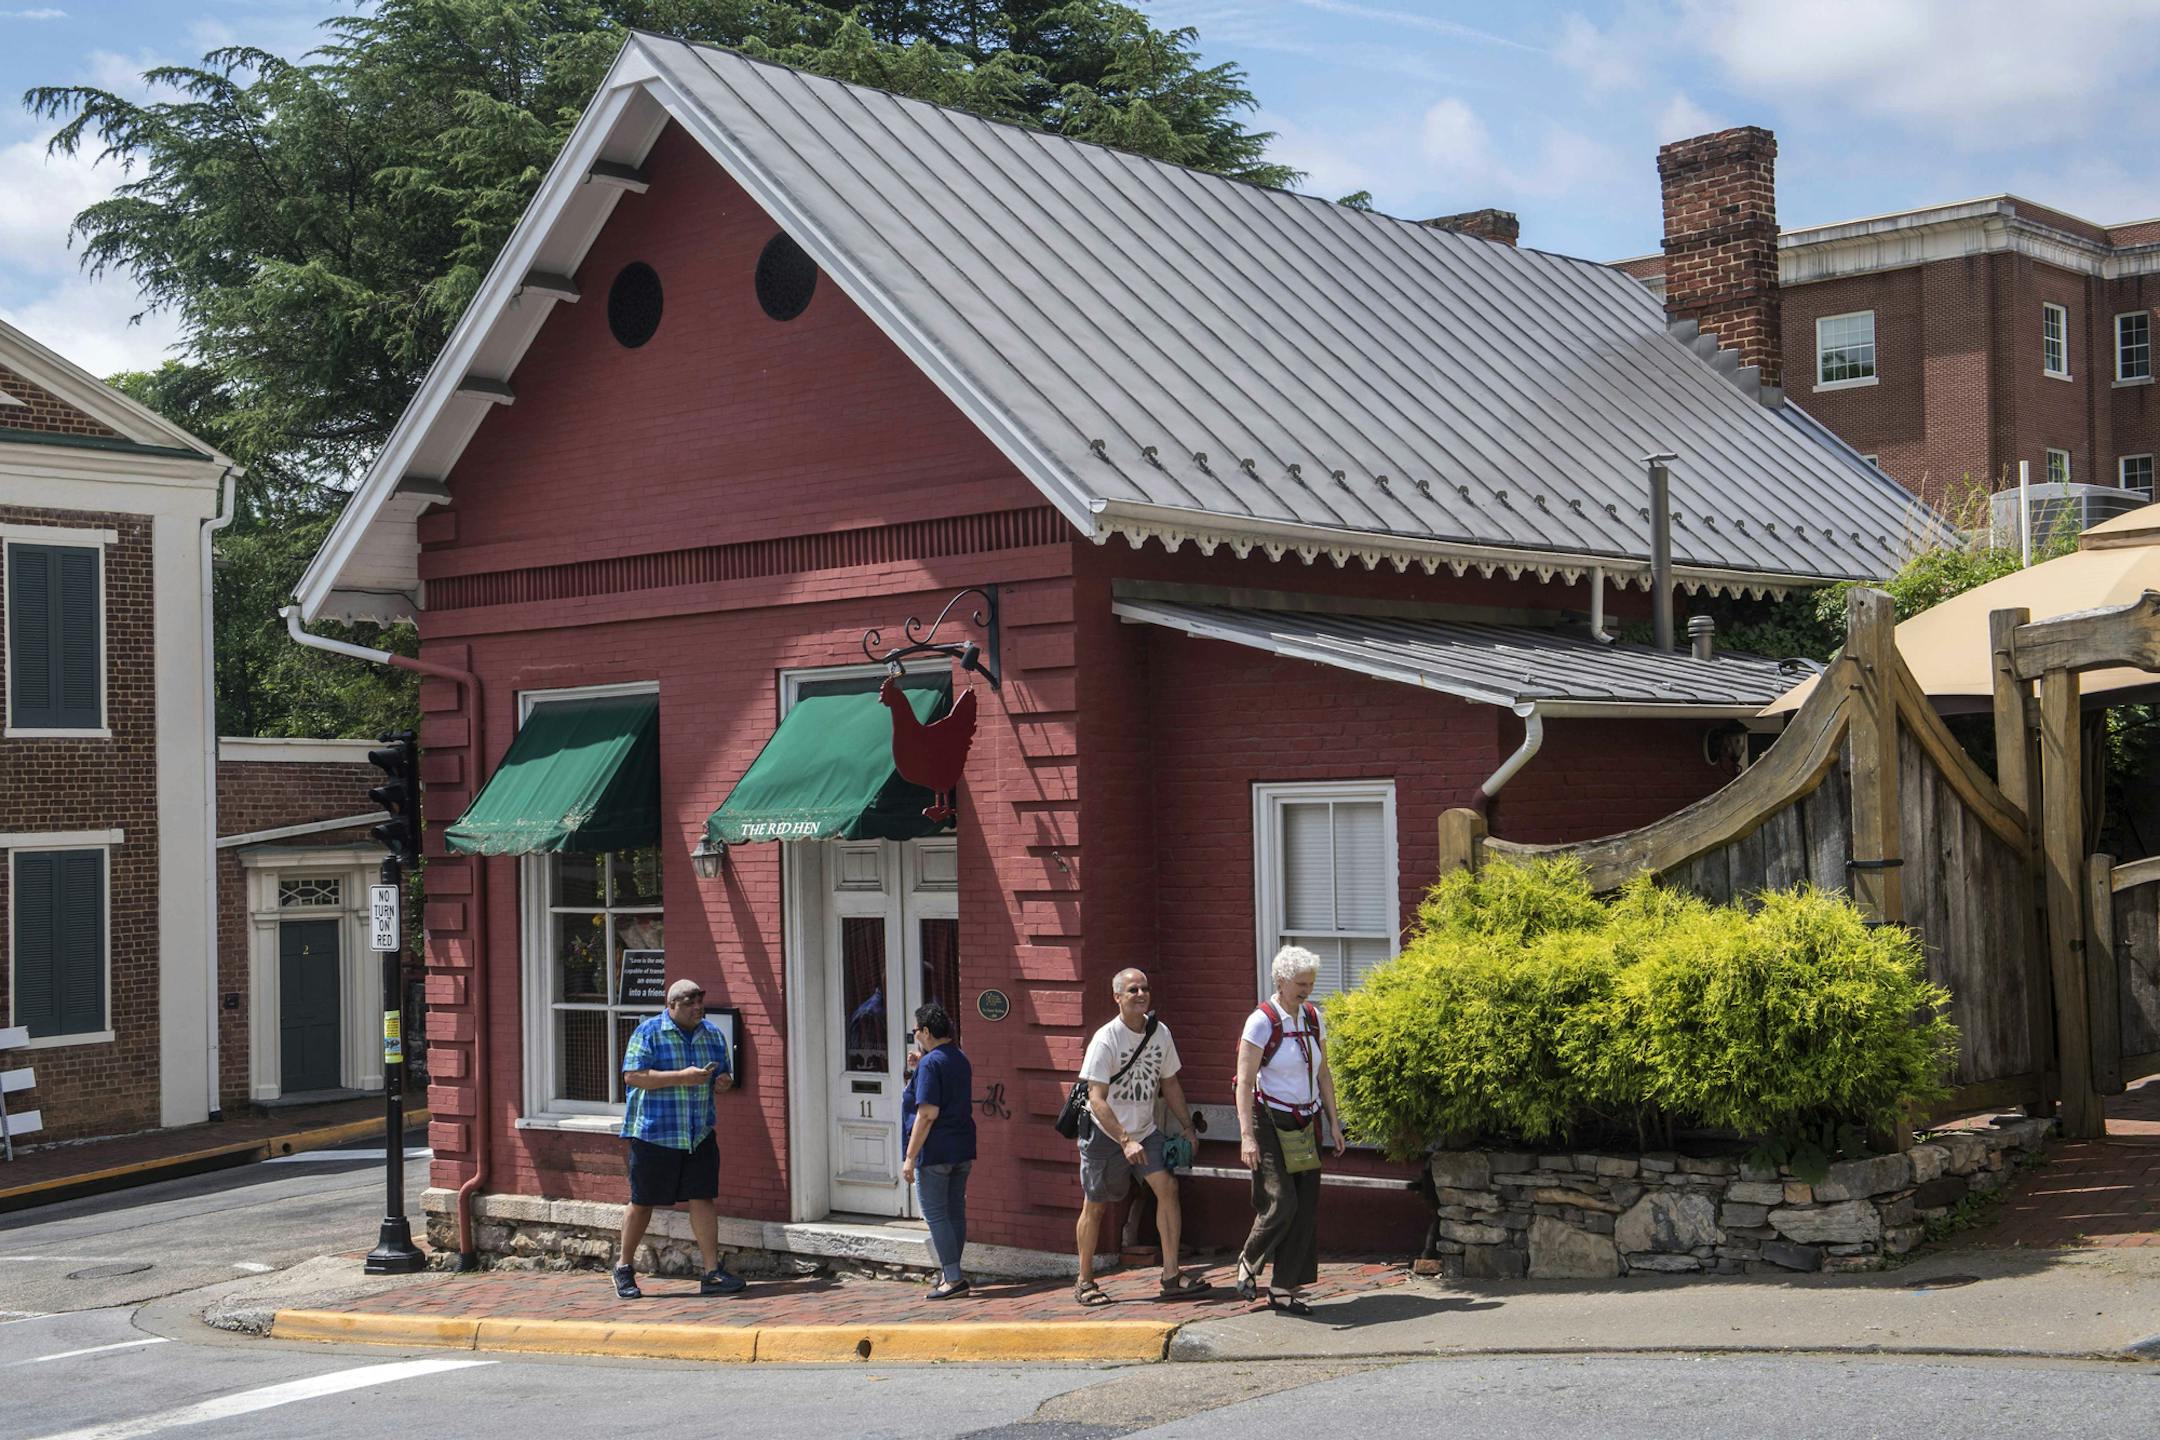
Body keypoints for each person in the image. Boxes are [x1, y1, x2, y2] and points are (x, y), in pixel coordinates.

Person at [1073, 967, 1210, 1306]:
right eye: (1132, 990)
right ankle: (1085, 1280)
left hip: (1146, 1131)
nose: (1140, 994)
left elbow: (1170, 1083)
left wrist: (1187, 1127)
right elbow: (1096, 1098)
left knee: (1168, 1188)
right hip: (1107, 1134)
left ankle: (1171, 1275)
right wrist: (1124, 1139)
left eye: (1144, 988)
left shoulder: (1159, 1033)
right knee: (1096, 1206)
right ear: (1117, 997)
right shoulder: (1107, 1039)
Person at [614, 978, 743, 1300]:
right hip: (654, 1133)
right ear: (671, 1005)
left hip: (697, 1132)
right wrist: (682, 1077)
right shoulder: (649, 1032)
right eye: (689, 1002)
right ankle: (624, 1267)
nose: (697, 1007)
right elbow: (633, 1076)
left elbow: (723, 1075)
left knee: (702, 1197)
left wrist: (723, 1082)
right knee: (643, 1201)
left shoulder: (712, 1034)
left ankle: (711, 1272)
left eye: (699, 1001)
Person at [1233, 946, 1345, 1314]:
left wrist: (1333, 1121)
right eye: (1300, 984)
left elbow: (1323, 1073)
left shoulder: (1313, 1017)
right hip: (1270, 1122)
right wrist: (1247, 1136)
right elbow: (1245, 1082)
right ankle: (1249, 1258)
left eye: (1310, 983)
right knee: (1282, 1201)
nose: (1306, 990)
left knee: (1305, 1208)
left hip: (1306, 1122)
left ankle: (1283, 1289)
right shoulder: (1261, 1021)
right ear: (1280, 981)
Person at [900, 1001, 976, 1299]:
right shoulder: (959, 1057)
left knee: (935, 1214)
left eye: (916, 1030)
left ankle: (953, 1279)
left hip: (935, 1150)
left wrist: (909, 1157)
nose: (916, 1035)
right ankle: (951, 1272)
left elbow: (928, 1112)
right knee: (955, 1211)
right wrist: (922, 1065)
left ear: (927, 1031)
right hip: (961, 1146)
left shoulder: (932, 1063)